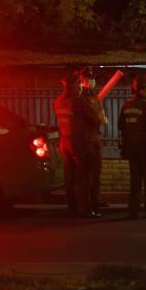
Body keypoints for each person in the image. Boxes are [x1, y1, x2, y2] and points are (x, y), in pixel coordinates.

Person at [118, 75, 146, 219]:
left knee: (135, 180)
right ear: (141, 90)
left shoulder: (126, 105)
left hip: (131, 147)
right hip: (145, 147)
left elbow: (121, 126)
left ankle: (133, 211)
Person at [77, 66, 108, 215]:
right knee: (87, 174)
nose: (92, 81)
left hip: (96, 138)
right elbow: (90, 118)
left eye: (92, 79)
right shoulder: (80, 99)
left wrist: (102, 118)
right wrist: (98, 118)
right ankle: (87, 204)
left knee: (96, 172)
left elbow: (102, 116)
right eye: (88, 79)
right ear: (82, 81)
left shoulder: (95, 98)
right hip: (86, 140)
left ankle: (96, 200)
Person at [52, 73, 83, 217]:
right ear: (74, 85)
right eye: (79, 84)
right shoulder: (75, 101)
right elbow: (90, 118)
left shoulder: (58, 101)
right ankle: (81, 208)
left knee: (69, 179)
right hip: (76, 141)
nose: (80, 86)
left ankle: (72, 208)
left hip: (64, 141)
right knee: (81, 177)